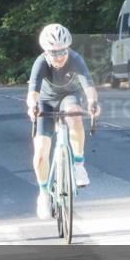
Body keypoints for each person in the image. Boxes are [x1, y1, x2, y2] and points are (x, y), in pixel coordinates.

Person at [26, 23, 101, 220]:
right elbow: (32, 93)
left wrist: (93, 101)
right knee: (41, 154)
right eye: (54, 53)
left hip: (69, 96)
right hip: (46, 102)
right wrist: (32, 106)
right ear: (46, 51)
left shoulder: (76, 59)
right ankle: (43, 194)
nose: (59, 57)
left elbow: (88, 85)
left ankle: (78, 165)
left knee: (75, 114)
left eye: (63, 51)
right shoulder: (40, 62)